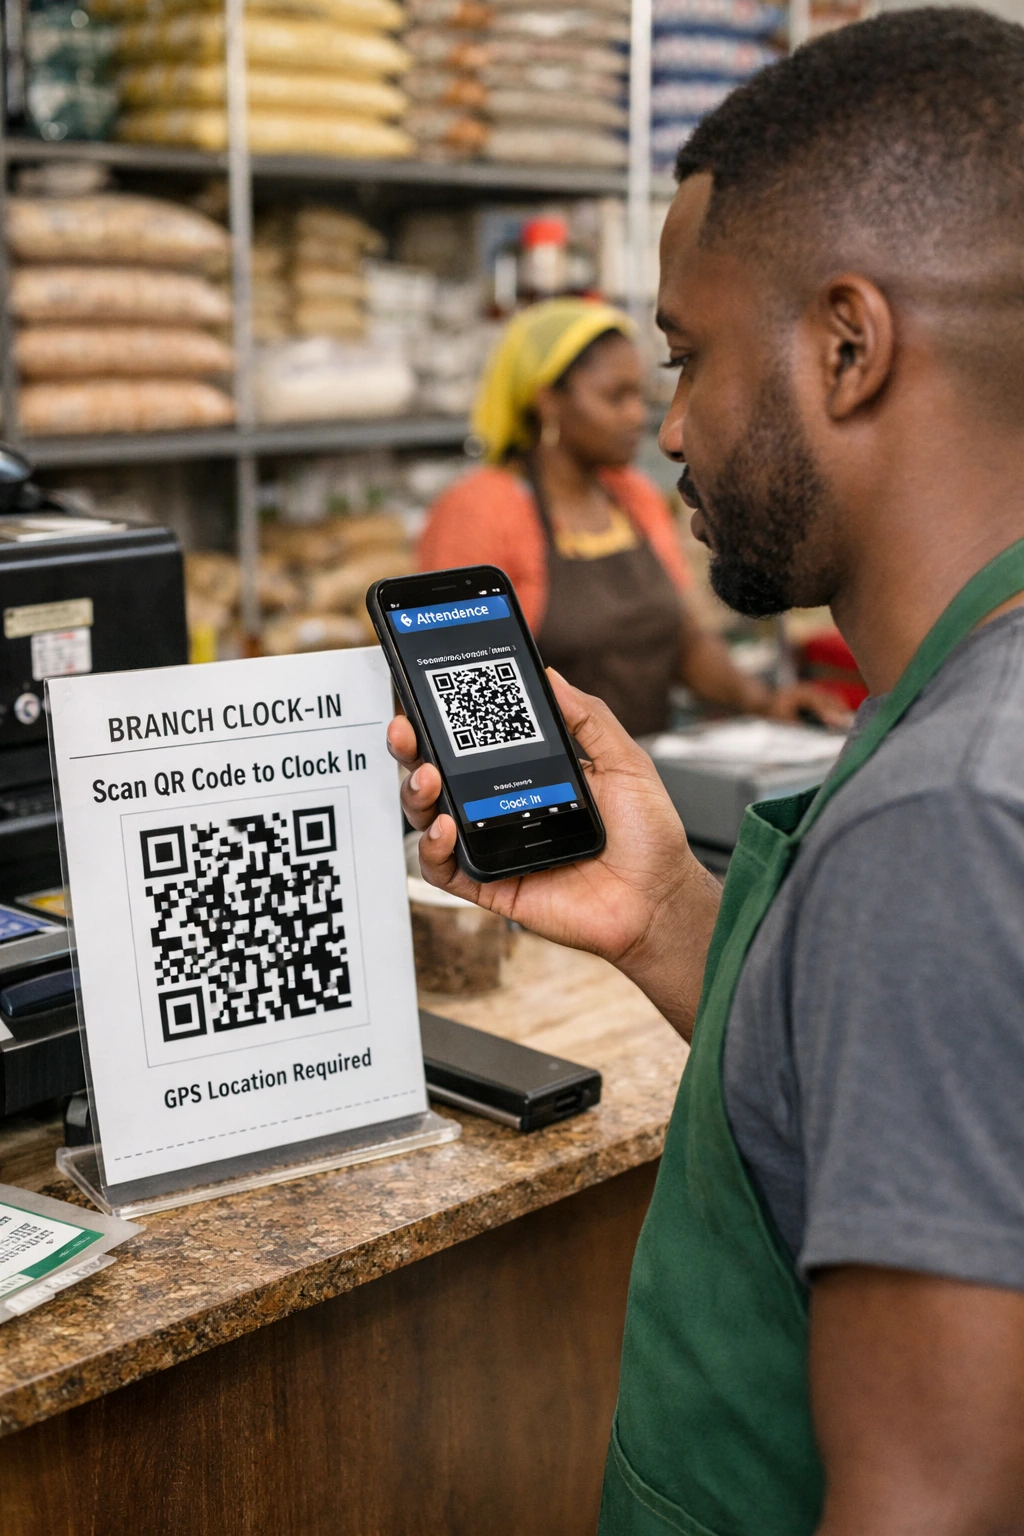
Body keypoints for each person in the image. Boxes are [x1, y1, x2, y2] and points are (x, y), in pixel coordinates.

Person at [390, 10, 1024, 1535]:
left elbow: (927, 1502)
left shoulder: (945, 813)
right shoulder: (969, 699)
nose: (668, 426)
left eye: (689, 355)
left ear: (848, 346)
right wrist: (672, 910)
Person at [419, 298, 846, 736]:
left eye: (638, 395)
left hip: (644, 781)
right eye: (615, 397)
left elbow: (681, 640)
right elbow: (460, 689)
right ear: (548, 402)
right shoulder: (479, 510)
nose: (637, 415)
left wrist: (763, 701)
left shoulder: (632, 496)